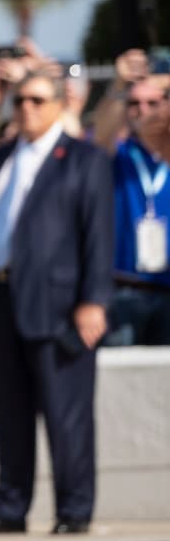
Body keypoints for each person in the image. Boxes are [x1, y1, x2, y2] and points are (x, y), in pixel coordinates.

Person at [0, 72, 112, 536]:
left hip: (60, 305)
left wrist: (94, 301)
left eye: (36, 99)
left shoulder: (82, 159)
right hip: (1, 298)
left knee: (67, 417)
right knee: (10, 414)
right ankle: (11, 507)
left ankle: (74, 509)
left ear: (56, 105)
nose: (26, 107)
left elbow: (99, 236)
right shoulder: (3, 156)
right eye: (20, 99)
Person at [106, 81, 170, 345]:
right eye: (134, 103)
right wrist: (118, 85)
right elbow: (101, 133)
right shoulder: (118, 153)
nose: (143, 110)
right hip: (124, 289)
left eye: (152, 103)